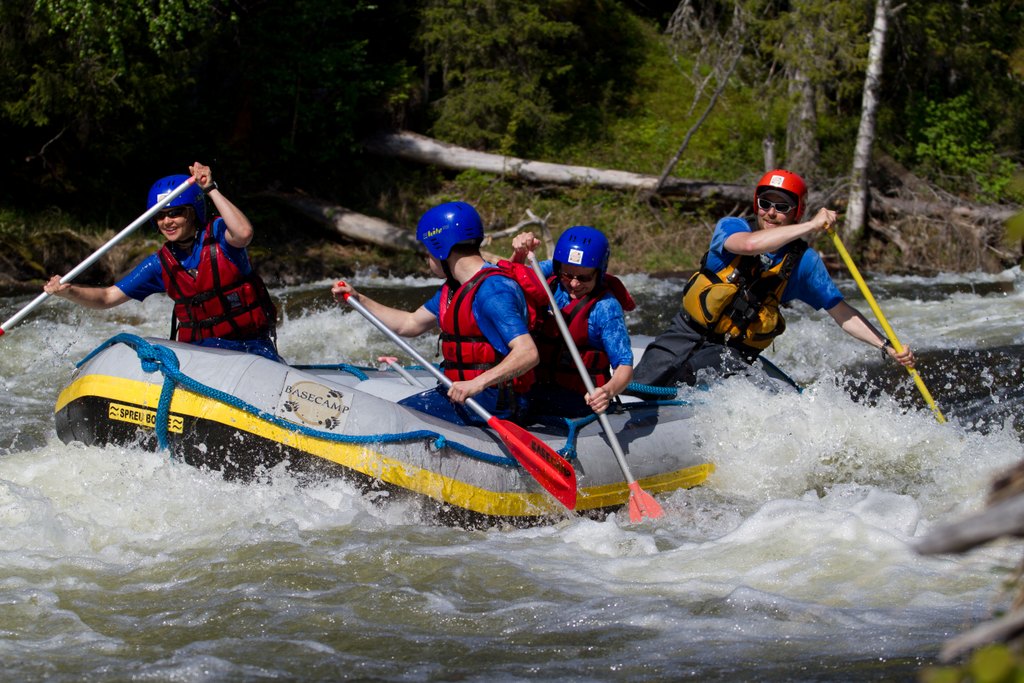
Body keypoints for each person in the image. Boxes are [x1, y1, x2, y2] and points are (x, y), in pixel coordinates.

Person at [631, 169, 915, 393]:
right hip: (685, 332)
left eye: (782, 207)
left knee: (691, 374)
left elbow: (841, 312)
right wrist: (812, 225)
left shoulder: (804, 262)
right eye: (765, 203)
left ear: (796, 212)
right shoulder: (732, 227)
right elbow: (752, 245)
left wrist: (885, 345)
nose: (771, 212)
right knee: (643, 380)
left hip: (731, 351)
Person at [43, 162, 280, 362]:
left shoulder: (220, 236)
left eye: (175, 213)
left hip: (250, 348)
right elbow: (107, 298)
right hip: (200, 353)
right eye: (161, 216)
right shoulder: (159, 265)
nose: (167, 221)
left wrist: (209, 188)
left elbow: (244, 233)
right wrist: (69, 291)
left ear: (193, 212)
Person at [331, 201, 540, 426]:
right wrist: (358, 299)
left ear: (441, 248)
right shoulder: (454, 288)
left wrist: (476, 383)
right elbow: (409, 324)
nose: (427, 259)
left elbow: (528, 353)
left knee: (398, 419)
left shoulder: (493, 290)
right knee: (395, 412)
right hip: (464, 392)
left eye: (427, 252)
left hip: (496, 400)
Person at [510, 226, 635, 417]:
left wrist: (607, 392)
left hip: (578, 401)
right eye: (568, 275)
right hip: (534, 390)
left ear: (599, 273)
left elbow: (624, 365)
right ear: (559, 268)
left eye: (584, 278)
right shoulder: (550, 277)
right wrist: (518, 255)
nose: (574, 284)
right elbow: (507, 281)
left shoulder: (606, 307)